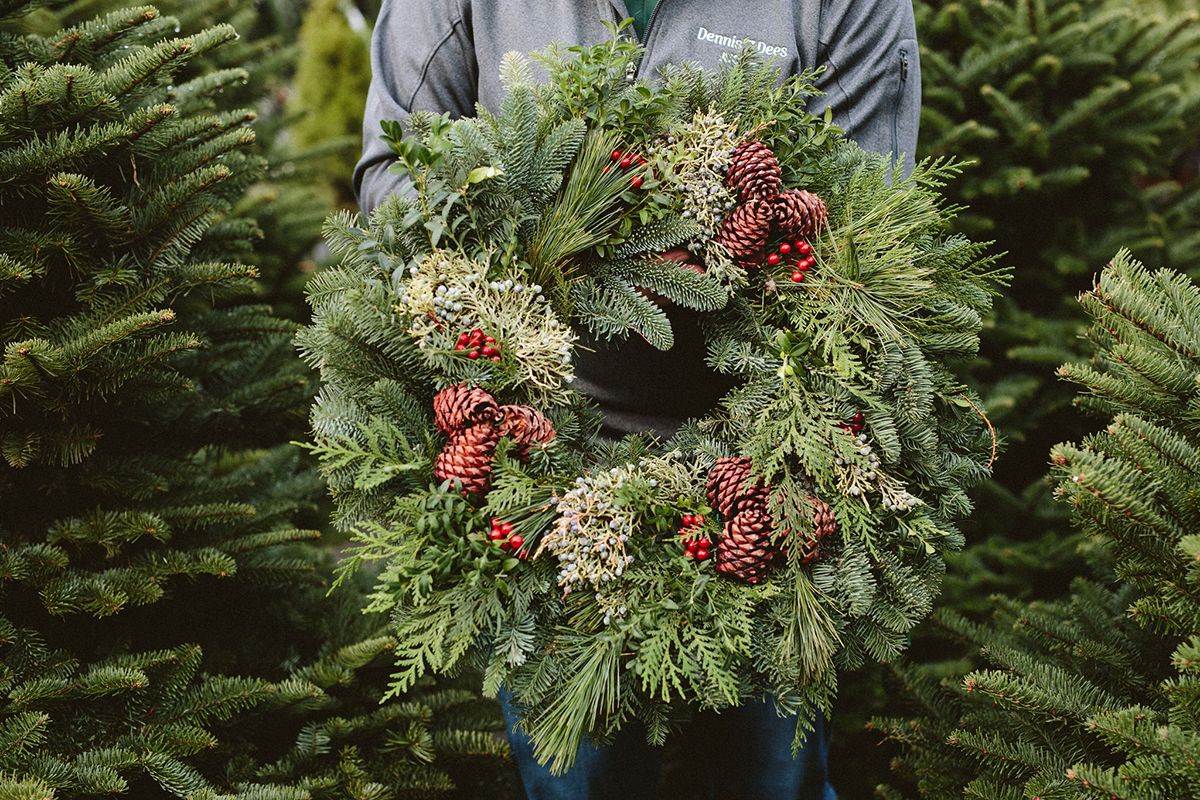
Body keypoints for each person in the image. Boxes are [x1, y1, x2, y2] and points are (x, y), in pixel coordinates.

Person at [355, 2, 920, 797]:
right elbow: (394, 174)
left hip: (764, 473)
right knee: (577, 784)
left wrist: (705, 220)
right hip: (538, 473)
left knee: (771, 782)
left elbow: (862, 235)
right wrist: (563, 223)